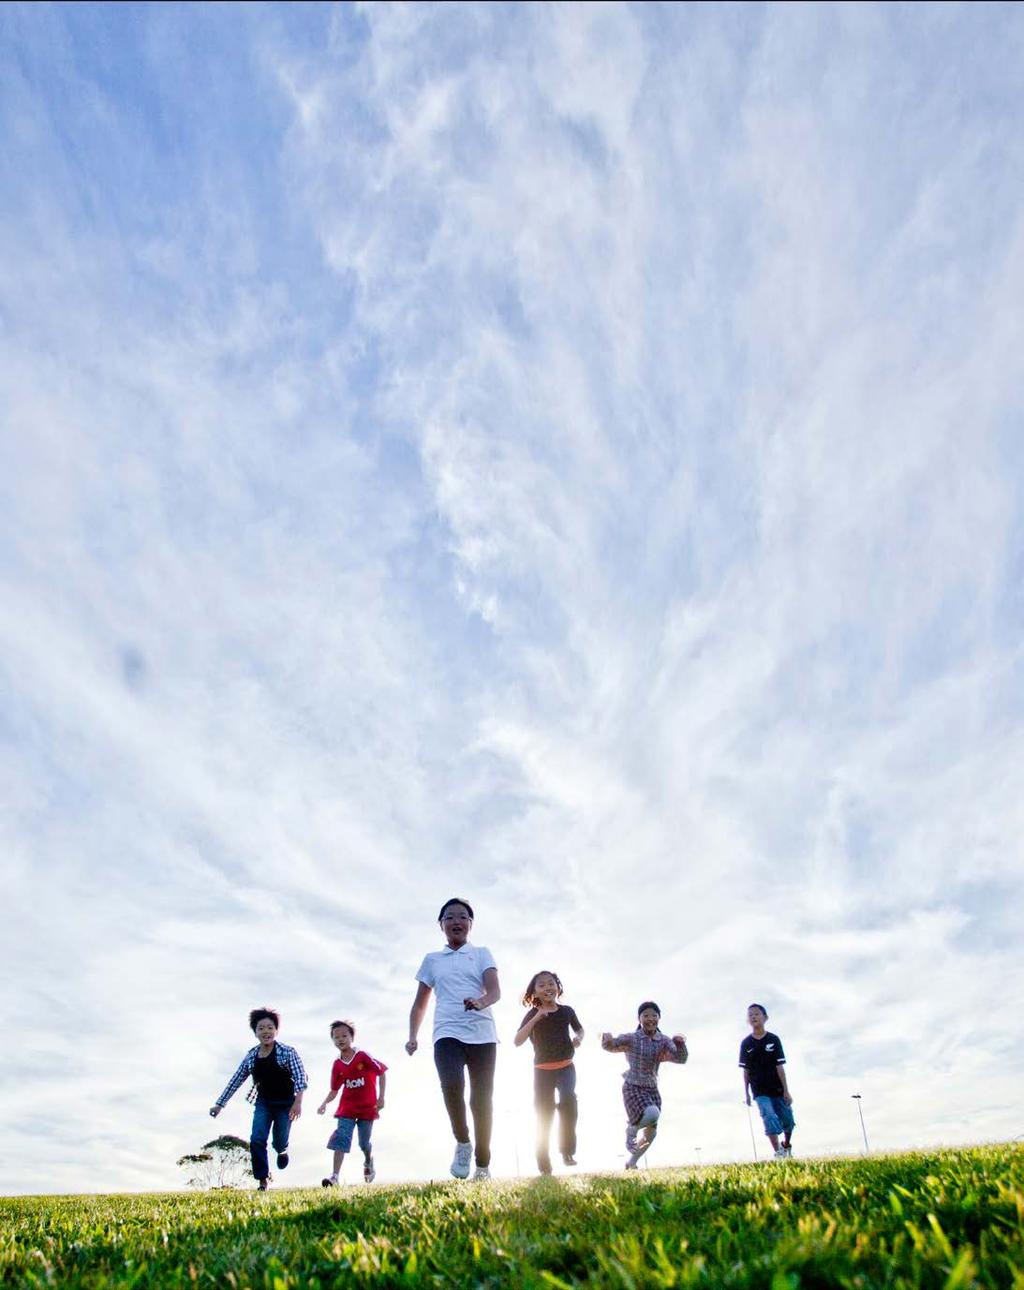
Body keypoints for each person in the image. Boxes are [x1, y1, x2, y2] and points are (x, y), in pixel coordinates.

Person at [406, 897, 501, 1181]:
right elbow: (420, 1003)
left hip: (482, 1034)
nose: (456, 921)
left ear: (470, 924)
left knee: (481, 1100)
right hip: (447, 1031)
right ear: (441, 925)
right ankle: (463, 1143)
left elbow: (495, 991)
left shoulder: (482, 953)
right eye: (449, 917)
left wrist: (481, 1002)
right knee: (451, 1086)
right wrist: (412, 1036)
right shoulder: (432, 960)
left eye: (462, 917)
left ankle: (482, 1164)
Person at [209, 1007, 307, 1191]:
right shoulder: (252, 1056)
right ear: (255, 1032)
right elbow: (236, 1080)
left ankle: (282, 1150)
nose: (266, 1032)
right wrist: (219, 1105)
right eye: (261, 1028)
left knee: (278, 1141)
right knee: (257, 1139)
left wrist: (298, 1102)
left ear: (276, 1031)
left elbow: (301, 1077)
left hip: (286, 1103)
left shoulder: (287, 1052)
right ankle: (262, 1180)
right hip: (264, 1103)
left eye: (270, 1027)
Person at [601, 1001, 687, 1169]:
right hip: (633, 1086)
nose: (650, 1019)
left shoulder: (663, 1040)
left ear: (659, 1018)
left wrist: (680, 1043)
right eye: (645, 1015)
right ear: (639, 1019)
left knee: (651, 1133)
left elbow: (681, 1058)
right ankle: (631, 1129)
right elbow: (610, 1046)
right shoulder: (632, 1038)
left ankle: (631, 1163)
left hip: (651, 1087)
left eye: (654, 1015)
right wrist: (606, 1038)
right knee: (653, 1113)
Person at [514, 970, 584, 1175]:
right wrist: (536, 1018)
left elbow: (579, 1029)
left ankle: (567, 1151)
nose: (547, 988)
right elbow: (517, 1041)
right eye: (542, 985)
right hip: (543, 1071)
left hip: (566, 1066)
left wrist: (579, 1038)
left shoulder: (567, 1011)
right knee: (545, 1115)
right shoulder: (532, 1014)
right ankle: (544, 1165)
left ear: (558, 987)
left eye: (551, 983)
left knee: (569, 1099)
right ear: (534, 992)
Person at [316, 1019, 387, 1186]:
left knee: (363, 1143)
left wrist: (381, 1098)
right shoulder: (338, 1064)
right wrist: (324, 1103)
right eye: (336, 1037)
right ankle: (334, 1177)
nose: (340, 1039)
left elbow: (382, 1072)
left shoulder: (362, 1056)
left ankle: (368, 1161)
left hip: (367, 1108)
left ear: (351, 1037)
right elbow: (334, 1090)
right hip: (346, 1109)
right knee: (341, 1137)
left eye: (344, 1036)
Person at [739, 1003, 794, 1159]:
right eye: (750, 1015)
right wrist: (747, 1093)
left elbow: (780, 1066)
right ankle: (778, 1152)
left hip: (777, 1088)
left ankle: (786, 1144)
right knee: (768, 1115)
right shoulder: (746, 1043)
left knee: (788, 1120)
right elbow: (746, 1070)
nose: (753, 1017)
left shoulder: (773, 1039)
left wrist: (786, 1090)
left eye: (757, 1014)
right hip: (759, 1090)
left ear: (765, 1017)